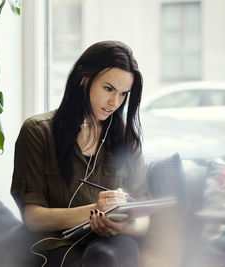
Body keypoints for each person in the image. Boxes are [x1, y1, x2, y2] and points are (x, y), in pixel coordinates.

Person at [11, 40, 151, 267]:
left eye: (123, 94)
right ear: (84, 78)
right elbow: (33, 217)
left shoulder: (126, 140)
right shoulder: (37, 132)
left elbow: (144, 216)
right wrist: (95, 211)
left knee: (106, 255)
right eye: (108, 89)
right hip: (55, 246)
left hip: (111, 246)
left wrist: (121, 225)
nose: (114, 102)